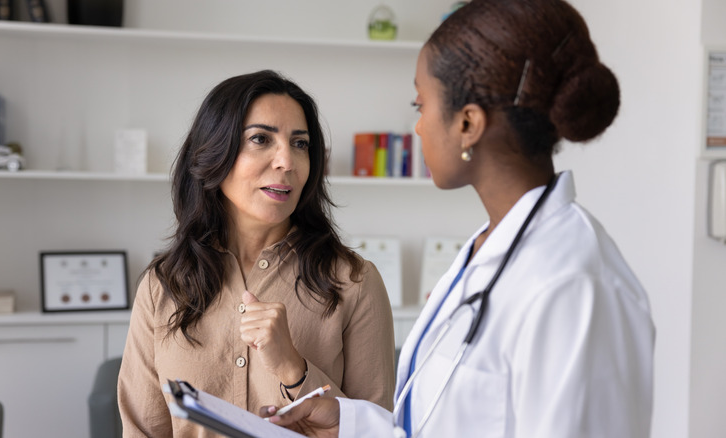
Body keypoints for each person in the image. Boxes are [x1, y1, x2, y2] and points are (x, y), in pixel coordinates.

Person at [264, 0, 655, 437]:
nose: (418, 128)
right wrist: (350, 423)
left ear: (468, 124)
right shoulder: (490, 248)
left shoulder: (575, 285)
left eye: (420, 105)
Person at [117, 70, 396, 437]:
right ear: (214, 150)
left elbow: (377, 431)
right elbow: (142, 430)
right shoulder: (162, 285)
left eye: (300, 144)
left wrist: (292, 368)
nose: (287, 162)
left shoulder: (354, 282)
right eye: (261, 139)